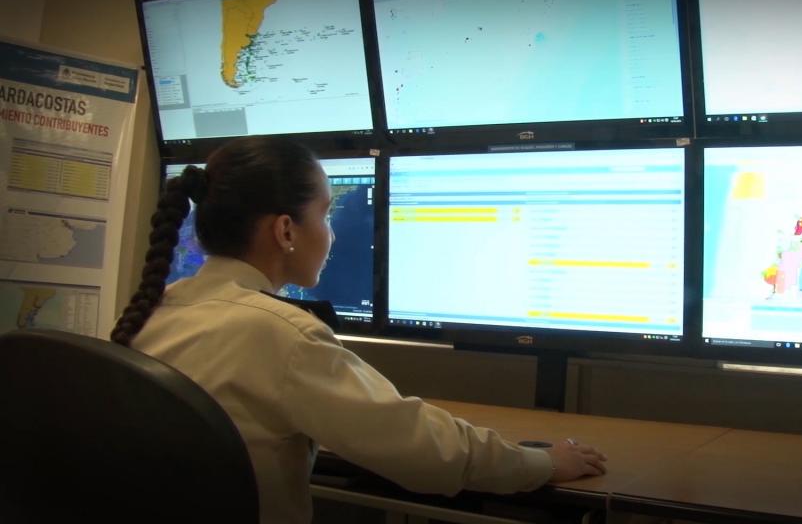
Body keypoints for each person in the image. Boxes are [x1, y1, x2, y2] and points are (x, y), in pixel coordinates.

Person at [112, 136, 607, 524]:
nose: (330, 232)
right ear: (285, 230)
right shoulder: (281, 334)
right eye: (325, 213)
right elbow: (425, 452)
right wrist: (542, 463)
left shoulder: (156, 309)